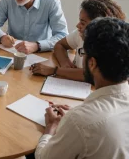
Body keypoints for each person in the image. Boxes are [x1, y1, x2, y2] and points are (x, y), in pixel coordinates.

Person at [34, 18, 129, 159]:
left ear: (92, 63)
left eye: (83, 53)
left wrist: (51, 127)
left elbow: (42, 157)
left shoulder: (79, 121)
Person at [30, 0, 126, 81]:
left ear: (99, 25)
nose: (77, 25)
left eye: (83, 23)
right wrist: (65, 63)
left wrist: (55, 70)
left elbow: (92, 75)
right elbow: (59, 45)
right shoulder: (80, 34)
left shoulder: (111, 45)